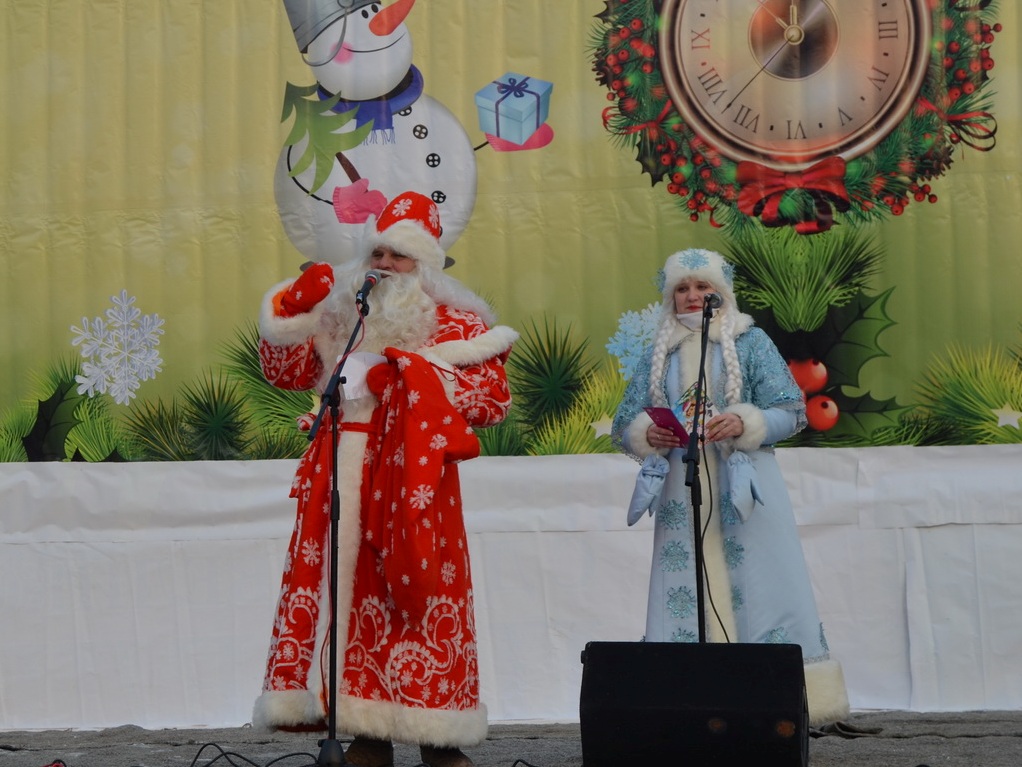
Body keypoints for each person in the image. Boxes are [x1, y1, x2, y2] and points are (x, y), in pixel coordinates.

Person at [252, 190, 518, 767]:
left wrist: (402, 377)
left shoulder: (458, 322)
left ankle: (437, 738)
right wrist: (295, 309)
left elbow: (491, 399)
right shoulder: (342, 315)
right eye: (378, 253)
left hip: (411, 477)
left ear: (424, 265)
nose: (385, 265)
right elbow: (285, 373)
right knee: (346, 595)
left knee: (416, 592)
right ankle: (363, 730)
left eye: (399, 256)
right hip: (340, 472)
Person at [611, 248, 850, 726]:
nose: (692, 295)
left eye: (702, 286)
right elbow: (623, 424)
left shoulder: (749, 340)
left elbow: (791, 411)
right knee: (687, 586)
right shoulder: (661, 350)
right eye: (682, 287)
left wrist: (746, 422)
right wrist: (647, 434)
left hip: (745, 487)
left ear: (721, 292)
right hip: (683, 490)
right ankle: (688, 704)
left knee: (762, 583)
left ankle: (778, 703)